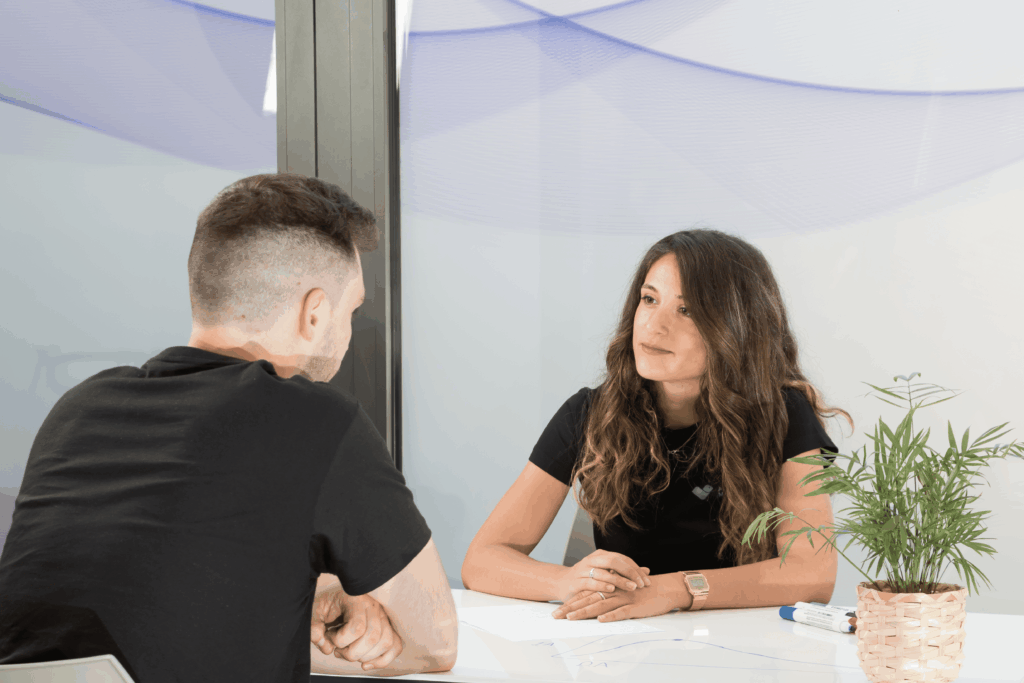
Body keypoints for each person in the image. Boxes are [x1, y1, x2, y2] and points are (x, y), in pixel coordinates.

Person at [0, 173, 457, 681]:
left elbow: (134, 595)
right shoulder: (315, 421)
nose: (349, 334)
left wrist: (306, 594)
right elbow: (434, 643)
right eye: (351, 310)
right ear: (315, 313)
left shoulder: (78, 409)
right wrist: (340, 597)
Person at [462, 229, 850, 622]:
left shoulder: (784, 413)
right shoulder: (590, 412)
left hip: (742, 641)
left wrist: (674, 590)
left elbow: (812, 574)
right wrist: (565, 582)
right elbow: (482, 560)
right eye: (649, 299)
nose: (654, 326)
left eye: (687, 310)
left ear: (737, 327)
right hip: (622, 641)